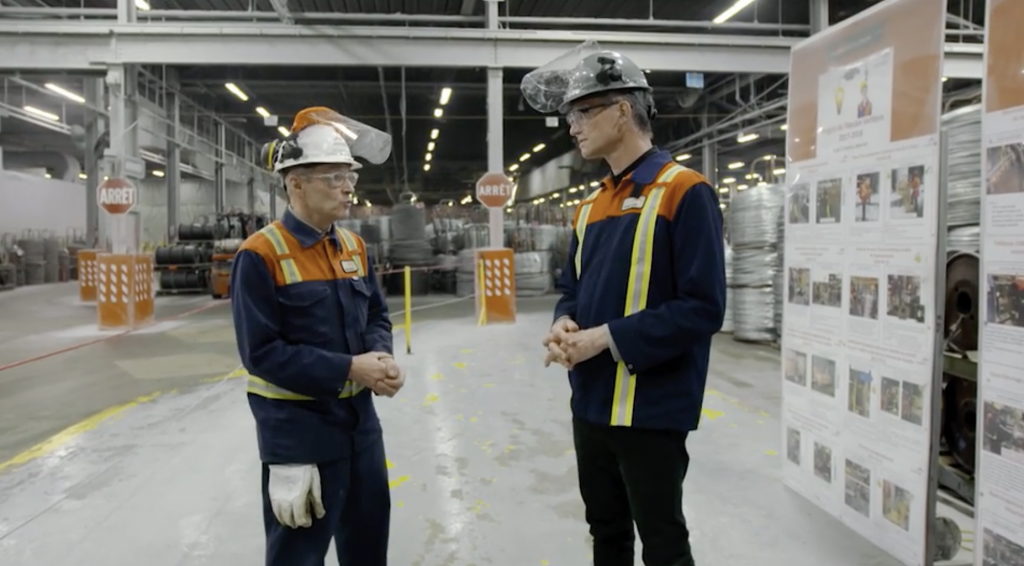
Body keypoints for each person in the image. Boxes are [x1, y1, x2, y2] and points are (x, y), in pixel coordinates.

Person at [521, 46, 726, 566]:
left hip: (650, 408)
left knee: (662, 543)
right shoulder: (591, 205)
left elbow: (703, 308)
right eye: (570, 116)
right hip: (591, 403)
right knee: (606, 532)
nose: (573, 127)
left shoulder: (684, 191)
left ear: (621, 110)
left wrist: (605, 339)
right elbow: (571, 286)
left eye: (583, 112)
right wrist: (565, 322)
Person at [230, 106, 404, 566]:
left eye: (350, 176)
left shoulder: (354, 247)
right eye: (334, 177)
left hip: (360, 429)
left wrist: (380, 358)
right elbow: (261, 354)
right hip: (300, 436)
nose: (348, 187)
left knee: (368, 548)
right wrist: (350, 368)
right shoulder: (260, 255)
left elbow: (376, 315)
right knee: (298, 556)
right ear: (296, 184)